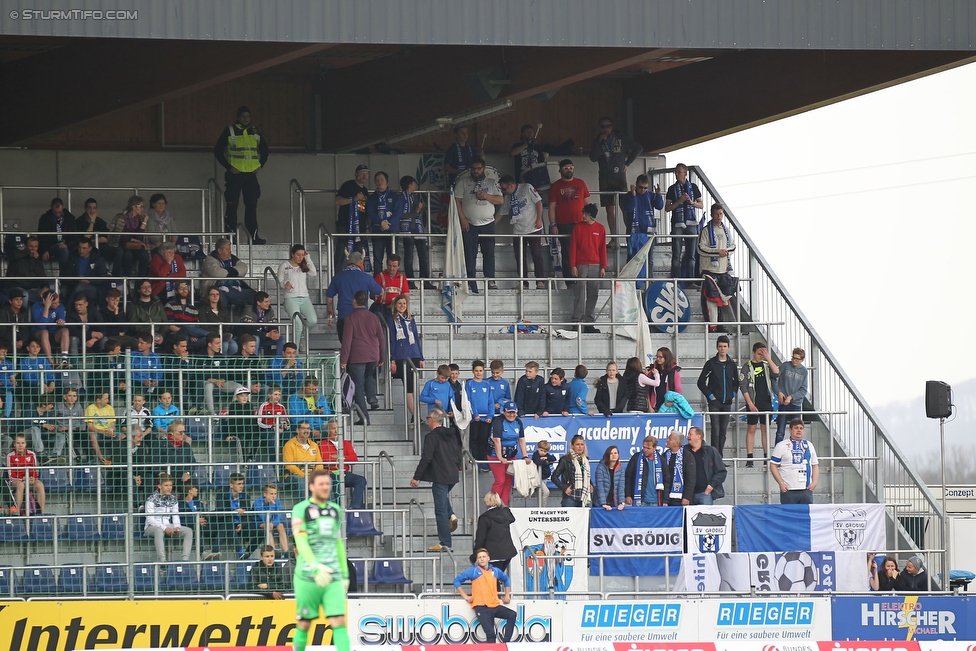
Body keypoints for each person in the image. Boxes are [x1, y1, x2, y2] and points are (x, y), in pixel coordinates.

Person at [291, 469, 350, 651]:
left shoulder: (335, 510)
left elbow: (337, 542)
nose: (325, 487)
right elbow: (300, 541)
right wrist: (315, 567)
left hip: (332, 576)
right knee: (304, 624)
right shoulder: (300, 509)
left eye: (328, 484)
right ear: (311, 487)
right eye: (321, 484)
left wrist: (345, 574)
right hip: (308, 576)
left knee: (339, 621)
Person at [215, 106, 269, 243]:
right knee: (232, 206)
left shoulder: (255, 131)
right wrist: (229, 167)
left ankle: (254, 237)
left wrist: (260, 165)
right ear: (238, 117)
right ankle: (230, 238)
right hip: (235, 175)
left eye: (248, 116)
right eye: (243, 116)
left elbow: (265, 150)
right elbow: (217, 150)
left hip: (250, 175)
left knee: (251, 206)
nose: (246, 119)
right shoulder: (230, 130)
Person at [410, 408, 462, 551]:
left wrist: (416, 477)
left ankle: (445, 543)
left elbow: (426, 458)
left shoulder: (431, 437)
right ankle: (451, 514)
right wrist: (459, 467)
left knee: (440, 511)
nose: (427, 421)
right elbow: (459, 451)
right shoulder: (451, 434)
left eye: (428, 418)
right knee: (443, 498)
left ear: (432, 420)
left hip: (440, 476)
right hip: (452, 475)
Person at [455, 158, 504, 292]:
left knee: (489, 253)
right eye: (474, 169)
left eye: (478, 168)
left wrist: (486, 196)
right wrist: (463, 219)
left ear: (484, 169)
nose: (476, 171)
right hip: (469, 223)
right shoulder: (463, 182)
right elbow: (456, 201)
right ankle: (471, 282)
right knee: (470, 254)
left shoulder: (492, 183)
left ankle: (490, 280)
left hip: (488, 223)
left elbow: (500, 200)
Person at [590, 117, 642, 237]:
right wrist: (599, 143)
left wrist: (628, 163)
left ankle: (630, 235)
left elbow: (638, 148)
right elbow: (593, 158)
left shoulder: (621, 138)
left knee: (624, 207)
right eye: (603, 127)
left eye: (608, 126)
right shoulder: (597, 140)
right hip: (604, 177)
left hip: (619, 176)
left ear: (612, 127)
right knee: (609, 208)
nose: (605, 129)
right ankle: (614, 237)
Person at [340, 290, 386, 425]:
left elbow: (347, 341)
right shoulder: (374, 317)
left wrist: (343, 359)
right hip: (373, 354)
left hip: (358, 355)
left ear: (354, 301)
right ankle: (372, 398)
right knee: (369, 376)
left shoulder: (350, 318)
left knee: (358, 386)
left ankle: (364, 417)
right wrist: (382, 356)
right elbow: (381, 338)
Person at [454, 549, 517, 643]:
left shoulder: (495, 571)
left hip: (494, 605)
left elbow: (506, 579)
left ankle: (505, 644)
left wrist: (507, 595)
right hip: (482, 607)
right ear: (477, 560)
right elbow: (456, 581)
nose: (482, 559)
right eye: (479, 557)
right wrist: (466, 597)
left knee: (512, 614)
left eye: (484, 557)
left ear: (488, 558)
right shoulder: (474, 571)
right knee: (491, 634)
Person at [547, 159, 590, 285]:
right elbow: (551, 208)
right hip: (564, 225)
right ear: (560, 170)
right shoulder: (555, 186)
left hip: (581, 223)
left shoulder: (581, 183)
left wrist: (590, 221)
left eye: (570, 167)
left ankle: (583, 280)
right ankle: (570, 282)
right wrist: (553, 224)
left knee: (582, 252)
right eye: (565, 168)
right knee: (567, 253)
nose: (568, 170)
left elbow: (587, 204)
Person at [499, 174, 546, 289]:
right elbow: (501, 212)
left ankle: (540, 281)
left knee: (536, 254)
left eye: (504, 189)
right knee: (519, 257)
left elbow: (539, 202)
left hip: (533, 227)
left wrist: (539, 219)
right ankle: (523, 282)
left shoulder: (526, 187)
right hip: (518, 230)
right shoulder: (507, 198)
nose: (504, 192)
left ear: (510, 186)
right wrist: (491, 226)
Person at [325, 251, 383, 342]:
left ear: (348, 263)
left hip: (343, 316)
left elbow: (329, 296)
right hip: (362, 318)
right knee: (360, 345)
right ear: (361, 263)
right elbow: (380, 292)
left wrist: (330, 308)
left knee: (345, 345)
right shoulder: (366, 278)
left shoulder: (338, 277)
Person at [698, 203, 738, 331]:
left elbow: (732, 246)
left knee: (724, 301)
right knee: (712, 301)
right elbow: (700, 249)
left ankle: (723, 325)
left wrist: (725, 251)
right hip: (709, 271)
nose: (719, 216)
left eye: (721, 214)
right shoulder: (705, 231)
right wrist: (717, 252)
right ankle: (713, 327)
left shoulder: (726, 230)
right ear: (712, 214)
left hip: (724, 271)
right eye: (716, 214)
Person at [697, 335, 738, 456]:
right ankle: (714, 457)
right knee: (715, 430)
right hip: (714, 402)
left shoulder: (732, 365)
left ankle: (720, 457)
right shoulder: (711, 364)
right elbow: (701, 382)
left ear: (728, 348)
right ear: (717, 347)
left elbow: (736, 382)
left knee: (723, 431)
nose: (722, 349)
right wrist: (710, 396)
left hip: (727, 403)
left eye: (725, 346)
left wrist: (733, 394)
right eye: (720, 346)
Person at [568, 203, 607, 332]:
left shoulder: (600, 229)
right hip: (581, 264)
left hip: (595, 265)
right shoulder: (578, 228)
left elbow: (602, 249)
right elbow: (573, 247)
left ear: (591, 215)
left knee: (593, 294)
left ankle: (589, 323)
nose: (583, 215)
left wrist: (603, 266)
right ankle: (576, 322)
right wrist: (573, 265)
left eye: (585, 213)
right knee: (580, 293)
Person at [740, 341, 780, 467]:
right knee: (751, 429)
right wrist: (750, 403)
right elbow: (743, 386)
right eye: (759, 354)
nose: (761, 356)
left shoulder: (767, 364)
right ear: (753, 352)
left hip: (766, 401)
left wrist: (768, 357)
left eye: (763, 354)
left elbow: (777, 372)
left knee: (765, 429)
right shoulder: (747, 366)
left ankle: (766, 457)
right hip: (753, 402)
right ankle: (750, 458)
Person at [387, 294, 424, 423]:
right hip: (401, 356)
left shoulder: (411, 319)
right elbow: (391, 340)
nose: (402, 306)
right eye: (399, 304)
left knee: (414, 386)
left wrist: (421, 357)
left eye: (404, 303)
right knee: (408, 387)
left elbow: (416, 338)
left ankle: (416, 415)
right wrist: (392, 359)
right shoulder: (391, 320)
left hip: (414, 354)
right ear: (395, 306)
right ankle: (414, 415)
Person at [665, 163, 704, 282]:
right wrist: (680, 201)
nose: (676, 174)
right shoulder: (672, 189)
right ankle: (676, 280)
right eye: (675, 172)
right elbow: (667, 208)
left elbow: (701, 205)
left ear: (685, 173)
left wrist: (691, 202)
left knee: (691, 255)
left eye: (679, 172)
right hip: (677, 223)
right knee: (676, 254)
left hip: (691, 223)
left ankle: (691, 280)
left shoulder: (693, 187)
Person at [488, 401, 531, 505]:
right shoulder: (498, 421)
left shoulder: (518, 422)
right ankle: (493, 505)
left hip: (511, 455)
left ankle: (503, 506)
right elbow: (497, 440)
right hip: (495, 455)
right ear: (504, 412)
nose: (511, 415)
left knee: (508, 482)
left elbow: (521, 439)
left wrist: (525, 456)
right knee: (500, 480)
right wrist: (500, 457)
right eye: (509, 412)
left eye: (514, 412)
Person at [144, 473, 193, 562]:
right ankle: (163, 561)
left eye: (170, 485)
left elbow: (175, 514)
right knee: (159, 531)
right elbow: (150, 520)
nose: (169, 488)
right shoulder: (151, 499)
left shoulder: (173, 499)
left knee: (188, 531)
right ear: (159, 486)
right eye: (166, 485)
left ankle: (185, 561)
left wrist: (177, 526)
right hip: (151, 527)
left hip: (167, 525)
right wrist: (165, 528)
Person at [319, 420, 367, 510]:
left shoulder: (346, 443)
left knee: (361, 480)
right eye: (333, 428)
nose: (336, 431)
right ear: (328, 430)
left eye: (338, 429)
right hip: (331, 473)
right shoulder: (322, 444)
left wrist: (339, 457)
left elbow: (354, 459)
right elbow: (325, 460)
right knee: (337, 481)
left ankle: (355, 507)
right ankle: (339, 509)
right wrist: (344, 457)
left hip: (344, 473)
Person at [769, 418, 819, 504]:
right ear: (790, 430)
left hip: (806, 489)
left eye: (801, 428)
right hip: (789, 490)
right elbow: (773, 465)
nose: (799, 430)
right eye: (796, 428)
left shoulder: (809, 445)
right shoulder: (781, 445)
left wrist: (814, 482)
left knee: (805, 516)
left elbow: (815, 465)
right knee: (788, 516)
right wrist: (781, 483)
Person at [397, 176, 434, 289]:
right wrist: (416, 211)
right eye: (414, 183)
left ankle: (426, 281)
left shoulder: (414, 196)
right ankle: (410, 282)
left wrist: (417, 211)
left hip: (418, 229)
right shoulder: (400, 198)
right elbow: (400, 214)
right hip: (407, 228)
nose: (416, 186)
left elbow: (416, 213)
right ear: (410, 184)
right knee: (409, 256)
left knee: (423, 255)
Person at [279, 244, 318, 348]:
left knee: (312, 320)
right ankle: (294, 352)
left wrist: (308, 258)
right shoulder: (284, 265)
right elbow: (280, 280)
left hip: (305, 297)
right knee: (298, 325)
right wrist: (285, 284)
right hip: (291, 298)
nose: (300, 257)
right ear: (292, 254)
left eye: (302, 255)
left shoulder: (304, 264)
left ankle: (302, 337)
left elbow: (313, 273)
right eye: (298, 255)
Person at [621, 174, 664, 268]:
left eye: (645, 188)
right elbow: (628, 208)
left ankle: (649, 282)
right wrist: (633, 196)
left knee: (649, 259)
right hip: (634, 232)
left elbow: (660, 206)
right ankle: (631, 282)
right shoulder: (628, 195)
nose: (643, 190)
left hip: (648, 232)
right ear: (636, 185)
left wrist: (658, 194)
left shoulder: (650, 195)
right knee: (632, 258)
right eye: (640, 187)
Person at [203, 238, 255, 309]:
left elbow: (244, 268)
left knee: (255, 296)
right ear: (219, 251)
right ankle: (220, 319)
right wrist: (234, 271)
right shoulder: (210, 259)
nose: (230, 251)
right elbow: (217, 273)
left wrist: (228, 270)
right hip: (216, 289)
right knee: (219, 297)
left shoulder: (233, 258)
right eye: (227, 249)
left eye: (230, 249)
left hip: (235, 289)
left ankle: (250, 318)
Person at [366, 171, 402, 273]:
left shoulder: (394, 196)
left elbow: (398, 212)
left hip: (392, 231)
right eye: (377, 180)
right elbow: (371, 213)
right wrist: (381, 223)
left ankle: (393, 281)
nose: (379, 181)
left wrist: (387, 224)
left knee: (393, 258)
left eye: (381, 179)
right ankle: (378, 284)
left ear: (386, 181)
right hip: (378, 230)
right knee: (378, 259)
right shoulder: (372, 198)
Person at [474, 492, 517, 572]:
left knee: (491, 580)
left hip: (492, 554)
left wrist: (475, 555)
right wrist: (503, 506)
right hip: (507, 553)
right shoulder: (505, 513)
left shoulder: (484, 518)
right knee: (496, 578)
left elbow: (480, 539)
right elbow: (512, 518)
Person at [684, 426, 727, 505]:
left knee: (706, 517)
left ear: (698, 436)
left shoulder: (710, 451)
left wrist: (711, 486)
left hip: (705, 494)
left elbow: (721, 472)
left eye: (690, 434)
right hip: (688, 495)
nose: (688, 436)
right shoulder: (684, 451)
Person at [214, 472, 253, 560]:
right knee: (228, 521)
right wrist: (234, 511)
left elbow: (248, 515)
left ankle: (214, 551)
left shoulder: (245, 497)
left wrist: (242, 524)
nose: (241, 486)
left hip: (238, 525)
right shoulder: (221, 495)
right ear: (231, 485)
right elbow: (220, 511)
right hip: (222, 522)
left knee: (260, 531)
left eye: (242, 483)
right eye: (239, 484)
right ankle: (240, 551)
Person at [6, 432, 45, 515]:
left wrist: (33, 478)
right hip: (16, 481)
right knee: (20, 485)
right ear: (14, 444)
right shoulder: (10, 456)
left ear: (26, 444)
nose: (20, 445)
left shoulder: (31, 454)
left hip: (29, 480)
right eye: (18, 443)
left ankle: (41, 513)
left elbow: (35, 470)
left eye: (22, 443)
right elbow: (10, 475)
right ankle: (17, 512)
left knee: (39, 484)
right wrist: (22, 479)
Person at [62, 237, 110, 304]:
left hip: (94, 288)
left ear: (90, 248)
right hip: (75, 286)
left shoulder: (98, 259)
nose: (81, 250)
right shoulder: (72, 258)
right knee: (78, 287)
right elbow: (67, 276)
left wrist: (89, 281)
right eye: (79, 247)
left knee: (80, 287)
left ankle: (68, 309)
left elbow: (103, 278)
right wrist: (76, 279)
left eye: (84, 248)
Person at [466, 359, 494, 470]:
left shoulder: (486, 384)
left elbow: (490, 401)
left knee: (484, 440)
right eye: (476, 370)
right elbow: (469, 401)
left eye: (480, 370)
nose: (478, 373)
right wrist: (475, 414)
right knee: (474, 439)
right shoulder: (470, 383)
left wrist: (490, 416)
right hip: (475, 419)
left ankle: (483, 462)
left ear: (483, 371)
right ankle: (475, 461)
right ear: (473, 371)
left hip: (485, 419)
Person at [283, 421, 325, 496]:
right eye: (303, 428)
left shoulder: (314, 445)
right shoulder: (289, 445)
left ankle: (327, 506)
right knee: (300, 480)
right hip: (294, 475)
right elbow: (289, 465)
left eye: (308, 428)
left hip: (312, 474)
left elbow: (320, 464)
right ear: (297, 430)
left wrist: (313, 475)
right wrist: (304, 475)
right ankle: (306, 506)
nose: (306, 431)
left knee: (328, 479)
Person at [115, 195, 152, 278]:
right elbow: (121, 236)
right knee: (128, 255)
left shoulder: (140, 219)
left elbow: (139, 236)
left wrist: (144, 222)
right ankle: (126, 279)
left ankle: (141, 281)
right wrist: (137, 241)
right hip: (123, 245)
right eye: (140, 206)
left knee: (144, 255)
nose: (142, 209)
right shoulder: (121, 217)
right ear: (133, 207)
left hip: (136, 247)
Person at [30, 287, 69, 367]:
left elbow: (62, 322)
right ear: (46, 302)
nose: (58, 304)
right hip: (39, 335)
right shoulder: (36, 307)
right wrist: (46, 308)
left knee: (65, 331)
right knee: (44, 332)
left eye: (58, 302)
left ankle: (64, 361)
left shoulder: (60, 306)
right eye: (55, 303)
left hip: (54, 334)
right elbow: (42, 326)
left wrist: (61, 322)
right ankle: (51, 362)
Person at [776, 347, 808, 444]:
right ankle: (777, 454)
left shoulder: (804, 371)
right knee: (780, 432)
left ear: (802, 360)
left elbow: (804, 390)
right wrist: (779, 392)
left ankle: (796, 451)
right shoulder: (785, 366)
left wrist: (792, 397)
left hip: (796, 405)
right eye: (793, 358)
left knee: (796, 431)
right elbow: (774, 379)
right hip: (783, 403)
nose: (794, 360)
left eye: (797, 359)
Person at [552, 434, 591, 507]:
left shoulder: (585, 460)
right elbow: (554, 477)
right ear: (572, 446)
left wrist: (591, 485)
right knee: (570, 518)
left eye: (582, 444)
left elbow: (585, 476)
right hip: (570, 497)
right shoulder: (565, 459)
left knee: (586, 518)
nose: (580, 447)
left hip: (584, 496)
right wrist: (564, 488)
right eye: (577, 444)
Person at [239, 291, 282, 356]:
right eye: (266, 302)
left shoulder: (270, 311)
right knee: (256, 338)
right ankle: (255, 362)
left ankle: (279, 362)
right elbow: (250, 330)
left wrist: (274, 333)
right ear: (258, 303)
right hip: (250, 339)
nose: (269, 303)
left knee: (281, 338)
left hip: (265, 338)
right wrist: (266, 334)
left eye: (269, 301)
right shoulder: (248, 310)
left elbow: (273, 325)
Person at [625, 435, 664, 507]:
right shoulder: (636, 458)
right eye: (644, 447)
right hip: (640, 500)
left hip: (656, 501)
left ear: (654, 448)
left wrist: (665, 500)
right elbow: (628, 477)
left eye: (648, 448)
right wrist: (628, 495)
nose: (645, 450)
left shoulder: (661, 460)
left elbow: (666, 480)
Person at [75, 198, 116, 267]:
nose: (92, 211)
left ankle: (116, 276)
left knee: (119, 251)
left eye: (94, 208)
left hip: (100, 247)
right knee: (93, 251)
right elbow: (85, 238)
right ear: (85, 209)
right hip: (85, 248)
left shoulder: (100, 222)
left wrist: (92, 240)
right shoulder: (79, 221)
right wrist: (92, 222)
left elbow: (105, 239)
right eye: (89, 208)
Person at [38, 198, 76, 269]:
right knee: (64, 252)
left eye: (60, 212)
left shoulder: (70, 218)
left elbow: (74, 236)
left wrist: (67, 244)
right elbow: (42, 237)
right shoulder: (45, 219)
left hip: (67, 244)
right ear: (51, 208)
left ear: (63, 207)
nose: (58, 214)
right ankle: (63, 277)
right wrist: (45, 250)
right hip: (52, 245)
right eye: (55, 212)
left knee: (82, 249)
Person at [199, 287, 238, 356]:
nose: (215, 296)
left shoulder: (224, 310)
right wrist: (218, 333)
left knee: (234, 346)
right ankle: (222, 364)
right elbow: (204, 326)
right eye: (212, 294)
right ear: (208, 296)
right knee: (225, 345)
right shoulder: (203, 309)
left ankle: (229, 364)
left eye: (217, 294)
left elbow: (226, 326)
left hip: (223, 334)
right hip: (210, 336)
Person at [253, 483, 289, 554]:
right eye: (271, 494)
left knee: (280, 526)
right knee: (268, 526)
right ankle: (273, 550)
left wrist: (273, 523)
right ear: (265, 494)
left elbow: (278, 516)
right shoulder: (258, 502)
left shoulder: (277, 501)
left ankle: (286, 551)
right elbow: (263, 517)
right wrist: (270, 505)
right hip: (259, 523)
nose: (274, 496)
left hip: (271, 523)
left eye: (275, 494)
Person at [660, 432, 692, 506]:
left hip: (680, 497)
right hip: (666, 496)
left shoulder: (687, 456)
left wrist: (687, 497)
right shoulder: (665, 455)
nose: (667, 440)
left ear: (677, 443)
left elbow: (691, 478)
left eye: (670, 439)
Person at [593, 445, 626, 510]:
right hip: (600, 503)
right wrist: (603, 504)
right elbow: (600, 487)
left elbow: (621, 487)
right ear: (607, 455)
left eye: (615, 453)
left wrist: (621, 503)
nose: (613, 455)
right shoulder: (600, 467)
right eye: (611, 453)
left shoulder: (621, 468)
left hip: (614, 502)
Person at [649, 347, 682, 412]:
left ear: (666, 358)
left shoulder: (674, 371)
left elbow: (678, 390)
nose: (658, 359)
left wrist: (673, 402)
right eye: (657, 357)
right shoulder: (653, 371)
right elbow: (648, 388)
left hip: (668, 406)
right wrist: (650, 406)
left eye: (660, 357)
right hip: (655, 406)